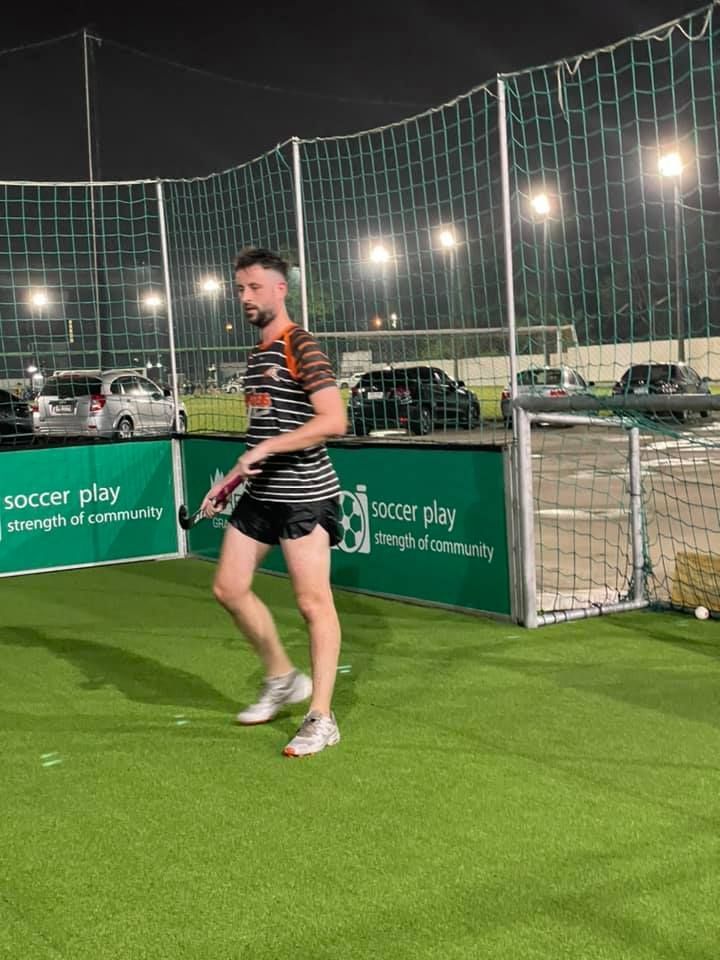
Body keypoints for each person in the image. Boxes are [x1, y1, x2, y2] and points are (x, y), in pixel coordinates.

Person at [201, 247, 347, 758]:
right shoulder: (256, 354)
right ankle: (283, 677)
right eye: (239, 288)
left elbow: (333, 420)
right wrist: (227, 484)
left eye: (255, 287)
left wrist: (266, 448)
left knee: (312, 603)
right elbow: (265, 432)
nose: (245, 296)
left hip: (305, 494)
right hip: (261, 494)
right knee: (228, 588)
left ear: (281, 289)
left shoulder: (299, 343)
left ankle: (322, 718)